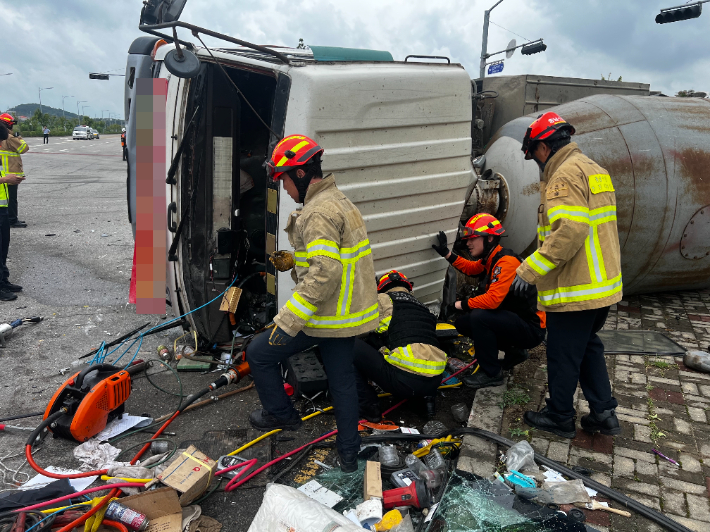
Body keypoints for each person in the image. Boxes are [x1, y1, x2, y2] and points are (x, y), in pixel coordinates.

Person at [245, 134, 378, 472]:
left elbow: (325, 273)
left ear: (301, 174)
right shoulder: (338, 200)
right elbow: (331, 257)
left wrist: (287, 321)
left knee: (259, 353)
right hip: (345, 316)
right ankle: (349, 455)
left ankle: (282, 415)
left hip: (325, 315)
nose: (285, 190)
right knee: (342, 381)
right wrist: (294, 260)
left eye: (285, 180)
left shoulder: (317, 212)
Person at [514, 111, 623, 439]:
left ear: (543, 148)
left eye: (533, 156)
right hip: (602, 286)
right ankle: (604, 413)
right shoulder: (594, 169)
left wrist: (530, 269)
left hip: (577, 288)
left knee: (562, 352)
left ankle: (560, 415)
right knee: (588, 346)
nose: (536, 163)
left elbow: (570, 231)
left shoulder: (563, 176)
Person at [432, 214, 546, 389]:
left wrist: (458, 305)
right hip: (517, 322)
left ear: (490, 238)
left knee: (479, 317)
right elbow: (471, 268)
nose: (468, 243)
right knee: (464, 323)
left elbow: (492, 301)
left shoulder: (506, 262)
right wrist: (447, 254)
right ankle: (514, 351)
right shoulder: (492, 258)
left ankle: (491, 373)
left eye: (472, 239)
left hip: (532, 329)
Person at [353, 270, 447, 422]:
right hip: (434, 381)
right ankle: (424, 403)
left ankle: (368, 407)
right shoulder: (422, 307)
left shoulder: (382, 299)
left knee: (348, 347)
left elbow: (357, 325)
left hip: (403, 381)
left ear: (381, 288)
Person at [0, 122, 24, 300]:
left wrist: (8, 180)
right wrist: (4, 179)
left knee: (3, 246)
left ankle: (3, 280)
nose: (1, 145)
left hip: (2, 207)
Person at [0, 114, 28, 228]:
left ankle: (10, 219)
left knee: (8, 198)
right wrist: (19, 138)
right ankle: (12, 219)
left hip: (5, 173)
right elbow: (24, 148)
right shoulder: (10, 138)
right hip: (9, 173)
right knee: (11, 199)